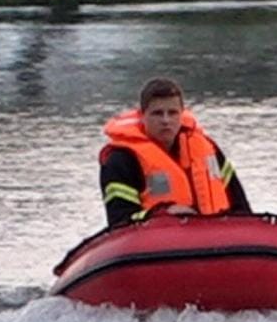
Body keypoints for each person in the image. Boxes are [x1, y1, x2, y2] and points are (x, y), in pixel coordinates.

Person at [99, 77, 251, 227]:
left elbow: (241, 206)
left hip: (218, 237)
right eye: (157, 113)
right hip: (159, 243)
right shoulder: (121, 160)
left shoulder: (208, 149)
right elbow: (120, 221)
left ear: (182, 114)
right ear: (142, 116)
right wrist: (164, 214)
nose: (166, 120)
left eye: (172, 113)